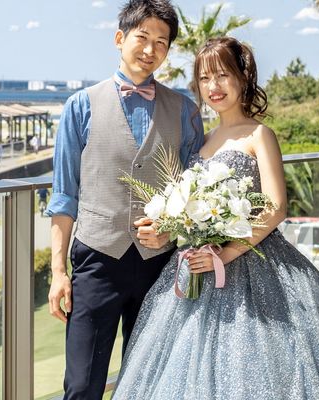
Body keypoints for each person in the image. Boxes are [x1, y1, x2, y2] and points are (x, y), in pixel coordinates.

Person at [111, 37, 319, 400]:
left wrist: (225, 254)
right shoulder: (201, 140)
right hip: (200, 265)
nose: (213, 86)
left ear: (243, 77)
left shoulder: (259, 135)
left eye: (222, 75)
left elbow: (276, 207)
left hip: (256, 262)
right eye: (204, 78)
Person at [44, 1, 204, 398]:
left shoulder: (185, 111)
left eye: (161, 42)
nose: (150, 49)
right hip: (97, 260)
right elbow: (64, 196)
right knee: (82, 384)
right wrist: (58, 272)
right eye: (142, 37)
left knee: (148, 383)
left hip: (159, 264)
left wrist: (171, 230)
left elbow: (194, 193)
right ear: (120, 38)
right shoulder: (80, 106)